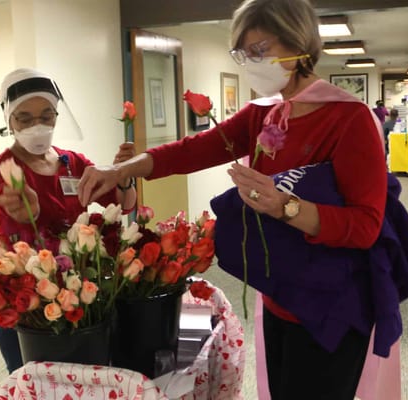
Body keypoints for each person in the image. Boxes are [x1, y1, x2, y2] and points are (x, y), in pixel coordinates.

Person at [78, 0, 389, 398]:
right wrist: (122, 171)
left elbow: (365, 228)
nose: (251, 63)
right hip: (282, 296)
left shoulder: (349, 119)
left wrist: (284, 206)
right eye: (244, 53)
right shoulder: (264, 113)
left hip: (332, 305)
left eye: (260, 51)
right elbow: (194, 149)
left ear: (300, 43)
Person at [0, 68, 137, 373]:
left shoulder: (73, 162)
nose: (37, 126)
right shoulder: (0, 168)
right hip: (29, 302)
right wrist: (24, 204)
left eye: (46, 115)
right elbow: (11, 204)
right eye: (24, 118)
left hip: (75, 294)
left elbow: (123, 204)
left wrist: (123, 176)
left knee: (83, 382)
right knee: (34, 385)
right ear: (9, 120)